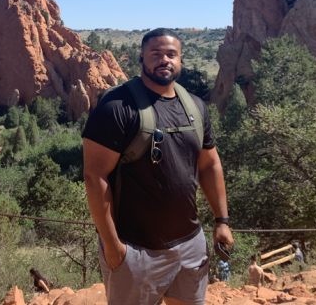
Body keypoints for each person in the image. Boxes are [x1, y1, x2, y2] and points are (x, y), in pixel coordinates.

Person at [83, 28, 234, 305]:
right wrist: (113, 245)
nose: (164, 60)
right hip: (136, 250)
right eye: (155, 54)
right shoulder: (116, 106)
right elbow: (95, 177)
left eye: (171, 54)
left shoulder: (196, 106)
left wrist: (221, 221)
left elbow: (210, 165)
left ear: (180, 60)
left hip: (190, 245)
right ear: (142, 58)